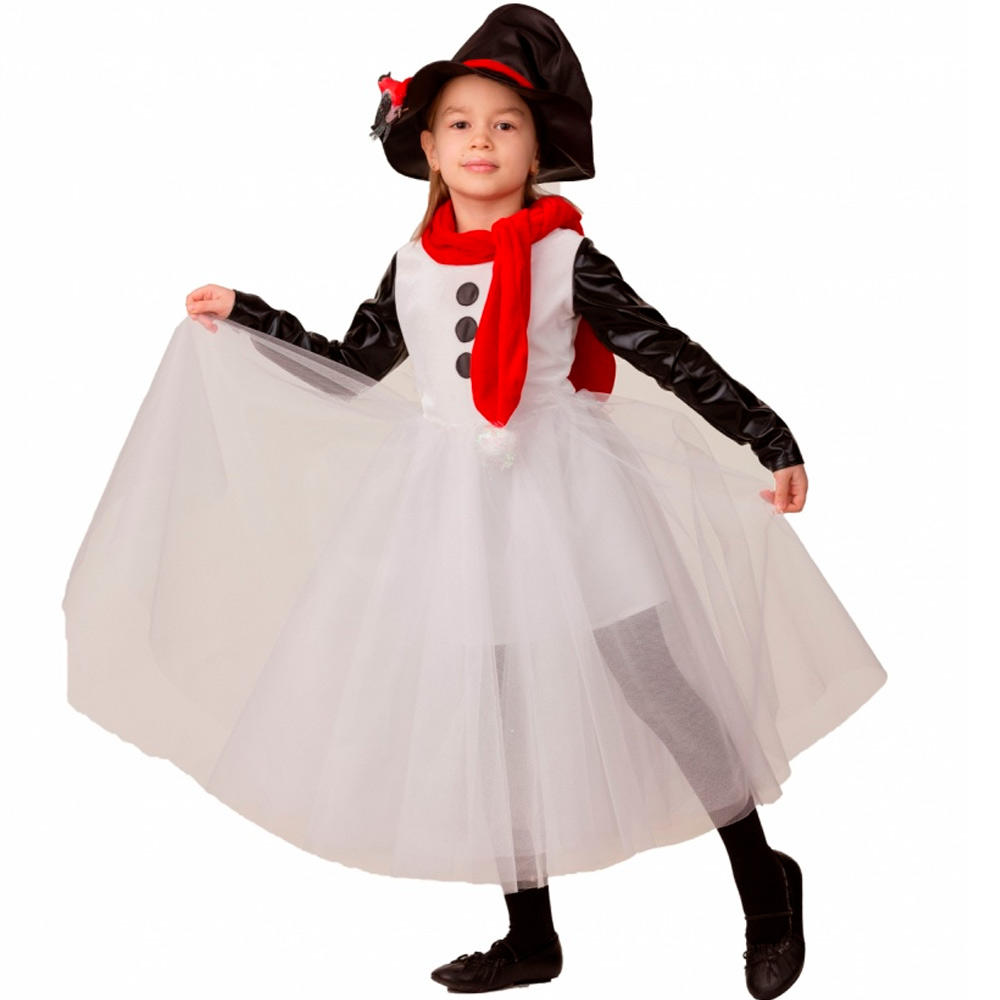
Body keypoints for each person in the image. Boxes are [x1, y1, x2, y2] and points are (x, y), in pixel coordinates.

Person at [65, 5, 885, 998]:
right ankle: (530, 934)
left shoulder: (564, 256)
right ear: (427, 147)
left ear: (538, 149)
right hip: (457, 508)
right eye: (459, 123)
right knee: (499, 710)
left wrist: (767, 432)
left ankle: (765, 886)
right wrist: (252, 318)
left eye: (505, 123)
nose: (481, 139)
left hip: (569, 494)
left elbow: (662, 350)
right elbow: (352, 367)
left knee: (654, 682)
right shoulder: (412, 264)